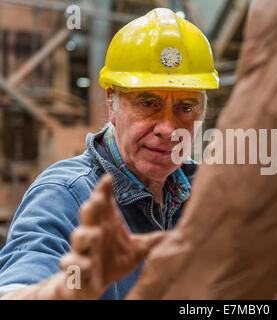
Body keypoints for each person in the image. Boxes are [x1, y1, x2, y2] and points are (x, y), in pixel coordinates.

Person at [0, 8, 219, 299]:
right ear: (111, 102)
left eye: (186, 108)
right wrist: (68, 290)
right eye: (148, 102)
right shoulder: (65, 196)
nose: (168, 128)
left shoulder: (205, 196)